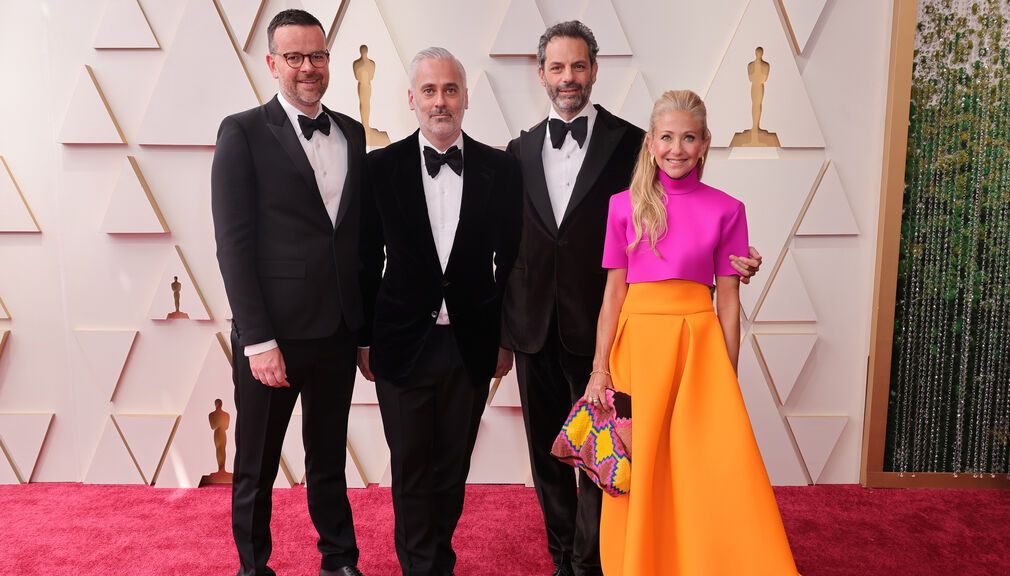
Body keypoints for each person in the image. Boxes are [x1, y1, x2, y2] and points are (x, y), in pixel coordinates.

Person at [501, 21, 762, 576]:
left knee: (611, 457)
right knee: (549, 454)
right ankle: (560, 561)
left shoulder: (629, 143)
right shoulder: (517, 149)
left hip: (611, 331)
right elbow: (507, 241)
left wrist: (733, 258)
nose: (568, 77)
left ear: (595, 71)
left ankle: (591, 561)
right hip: (534, 326)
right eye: (557, 66)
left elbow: (677, 212)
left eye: (578, 66)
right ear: (541, 73)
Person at [585, 89, 799, 574]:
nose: (676, 148)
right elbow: (612, 297)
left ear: (705, 144)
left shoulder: (729, 209)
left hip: (698, 351)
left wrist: (727, 375)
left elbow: (728, 302)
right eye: (666, 137)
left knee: (700, 469)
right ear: (651, 143)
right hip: (635, 353)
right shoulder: (623, 206)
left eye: (688, 138)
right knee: (637, 468)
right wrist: (600, 370)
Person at [211, 9, 367, 576]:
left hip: (338, 331)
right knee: (254, 462)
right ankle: (253, 567)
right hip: (272, 336)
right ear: (273, 63)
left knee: (328, 457)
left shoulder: (350, 131)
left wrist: (364, 332)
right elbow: (234, 244)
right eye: (295, 57)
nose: (309, 67)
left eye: (318, 56)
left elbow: (357, 237)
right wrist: (257, 341)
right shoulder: (242, 131)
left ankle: (340, 560)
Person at [356, 47, 521, 576]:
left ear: (467, 98)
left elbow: (510, 260)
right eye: (429, 91)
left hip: (470, 344)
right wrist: (363, 338)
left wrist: (504, 339)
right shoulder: (378, 168)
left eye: (450, 89)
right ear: (411, 100)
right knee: (410, 467)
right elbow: (364, 258)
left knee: (451, 469)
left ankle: (436, 560)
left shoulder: (501, 168)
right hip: (401, 343)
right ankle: (421, 568)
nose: (440, 101)